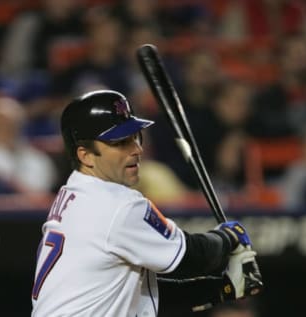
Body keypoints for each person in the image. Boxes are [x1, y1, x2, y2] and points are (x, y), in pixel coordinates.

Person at [31, 90, 262, 316]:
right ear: (86, 155)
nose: (137, 149)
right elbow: (189, 257)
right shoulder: (116, 205)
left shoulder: (74, 193)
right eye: (120, 142)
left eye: (135, 137)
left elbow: (141, 297)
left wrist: (223, 289)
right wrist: (228, 238)